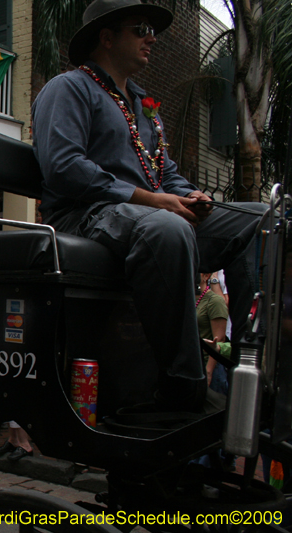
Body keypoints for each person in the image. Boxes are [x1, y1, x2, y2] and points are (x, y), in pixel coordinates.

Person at [31, 0, 267, 412]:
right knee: (167, 228)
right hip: (85, 214)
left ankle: (252, 362)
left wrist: (192, 196)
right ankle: (183, 385)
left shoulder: (141, 106)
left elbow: (163, 174)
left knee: (259, 220)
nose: (151, 37)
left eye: (150, 30)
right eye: (140, 28)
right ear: (106, 38)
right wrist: (152, 199)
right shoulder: (69, 87)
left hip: (141, 215)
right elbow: (64, 166)